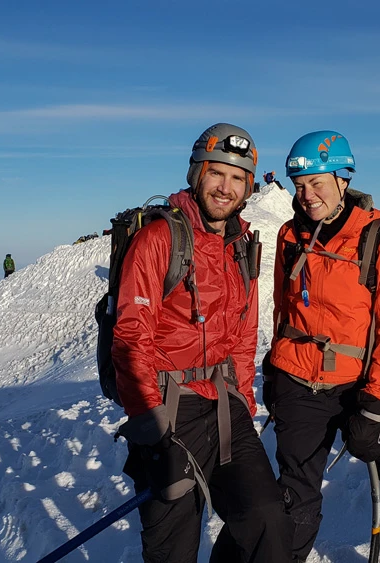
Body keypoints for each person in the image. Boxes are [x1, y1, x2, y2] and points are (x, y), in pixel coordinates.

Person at [263, 131, 380, 563]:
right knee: (295, 510)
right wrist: (274, 371)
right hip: (296, 382)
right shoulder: (289, 235)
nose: (306, 195)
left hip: (357, 386)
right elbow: (282, 307)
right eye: (299, 185)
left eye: (316, 183)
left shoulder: (378, 241)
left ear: (343, 180)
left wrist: (376, 404)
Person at [112, 123, 291, 563]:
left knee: (267, 520)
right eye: (216, 173)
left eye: (237, 178)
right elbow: (131, 337)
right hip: (168, 410)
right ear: (197, 174)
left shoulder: (241, 246)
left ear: (248, 187)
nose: (225, 188)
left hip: (225, 403)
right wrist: (152, 429)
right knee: (172, 548)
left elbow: (244, 334)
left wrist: (244, 401)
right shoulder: (159, 240)